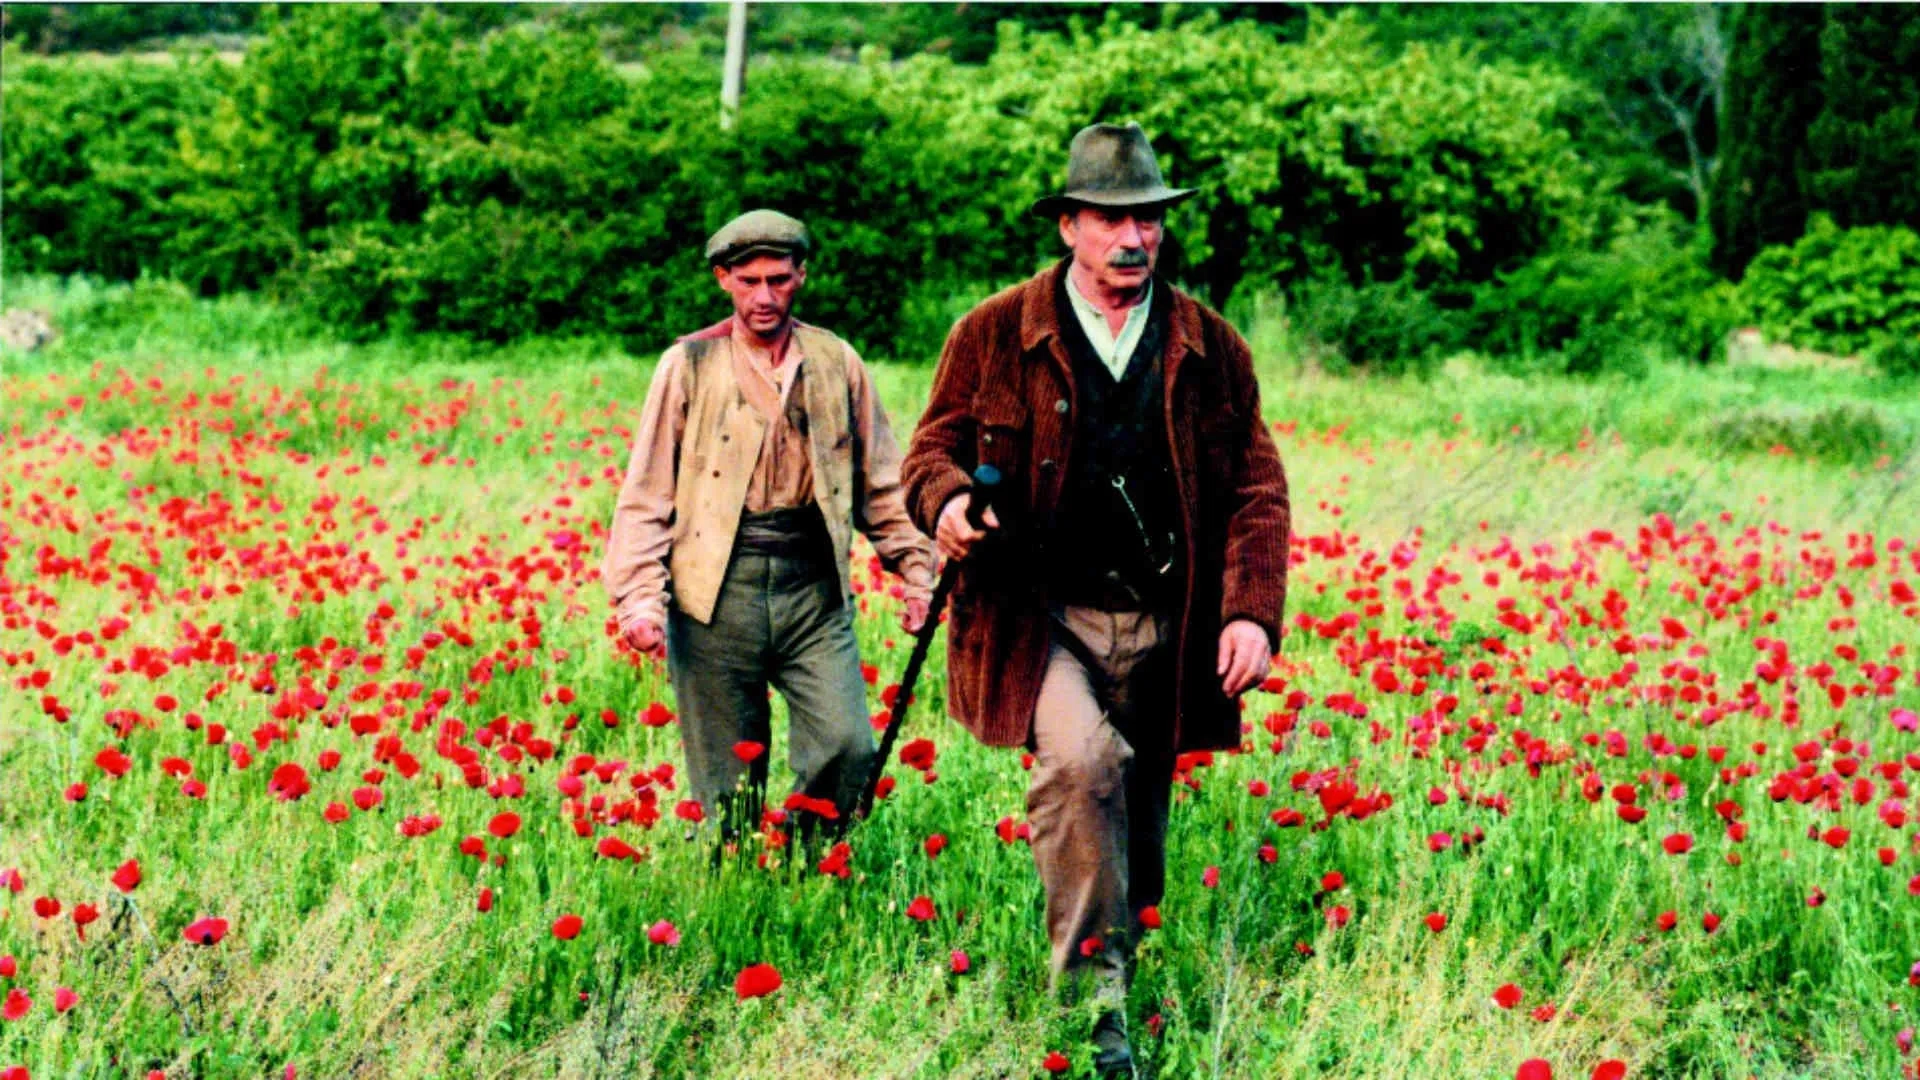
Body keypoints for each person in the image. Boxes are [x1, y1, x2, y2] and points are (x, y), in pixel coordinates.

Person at [902, 123, 1292, 1077]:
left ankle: (1128, 957)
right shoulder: (993, 332)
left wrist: (1249, 611)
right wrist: (946, 503)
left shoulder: (1210, 344)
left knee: (1141, 821)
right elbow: (929, 453)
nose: (1134, 239)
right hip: (1043, 622)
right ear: (1069, 225)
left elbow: (1256, 485)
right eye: (1112, 219)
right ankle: (1094, 1015)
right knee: (1079, 768)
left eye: (1148, 222)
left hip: (1168, 619)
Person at [601, 209, 935, 847]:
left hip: (812, 584)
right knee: (728, 784)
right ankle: (741, 886)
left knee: (847, 745)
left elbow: (884, 483)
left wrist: (916, 573)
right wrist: (640, 599)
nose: (764, 296)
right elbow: (646, 495)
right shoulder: (688, 364)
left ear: (801, 277)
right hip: (713, 590)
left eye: (778, 279)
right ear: (724, 280)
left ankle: (807, 863)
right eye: (748, 280)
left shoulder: (837, 361)